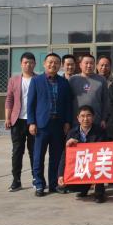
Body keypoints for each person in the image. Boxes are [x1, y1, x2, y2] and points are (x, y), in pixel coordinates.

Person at [27, 53, 72, 196]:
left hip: (58, 125)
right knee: (38, 156)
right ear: (44, 64)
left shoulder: (64, 82)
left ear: (60, 65)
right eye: (50, 62)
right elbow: (30, 104)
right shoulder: (36, 81)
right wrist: (31, 122)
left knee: (56, 156)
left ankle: (54, 184)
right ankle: (39, 184)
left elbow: (68, 104)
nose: (53, 65)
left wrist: (67, 121)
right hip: (41, 125)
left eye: (56, 63)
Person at [56, 105, 106, 203]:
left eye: (88, 115)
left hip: (96, 164)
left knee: (101, 163)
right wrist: (60, 175)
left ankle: (99, 192)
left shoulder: (100, 132)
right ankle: (84, 188)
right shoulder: (72, 133)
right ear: (78, 118)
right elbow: (65, 155)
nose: (85, 119)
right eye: (82, 116)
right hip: (80, 165)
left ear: (93, 117)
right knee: (66, 184)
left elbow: (103, 154)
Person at [5, 52, 37, 192]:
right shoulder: (14, 80)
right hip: (17, 120)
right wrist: (7, 118)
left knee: (34, 151)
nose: (28, 65)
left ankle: (36, 178)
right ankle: (16, 180)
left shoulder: (39, 79)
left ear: (34, 64)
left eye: (31, 62)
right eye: (25, 62)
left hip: (33, 121)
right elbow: (9, 99)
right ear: (21, 64)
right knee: (17, 151)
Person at [69, 54, 109, 129]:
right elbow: (68, 101)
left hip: (96, 120)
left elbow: (105, 101)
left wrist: (104, 119)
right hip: (76, 121)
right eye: (86, 63)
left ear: (95, 65)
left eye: (91, 63)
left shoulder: (101, 80)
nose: (89, 65)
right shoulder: (73, 79)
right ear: (80, 65)